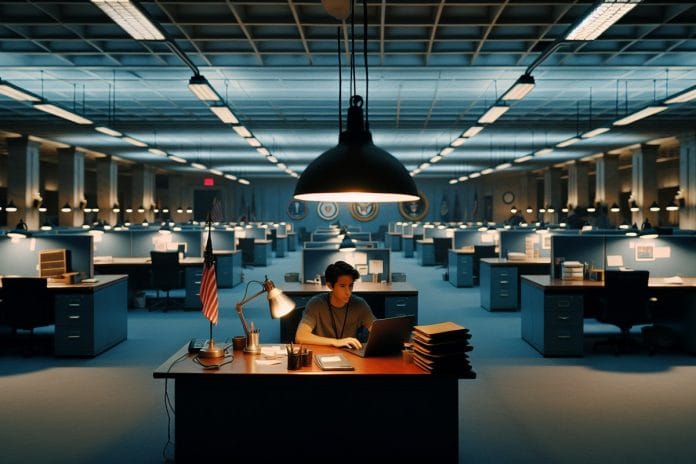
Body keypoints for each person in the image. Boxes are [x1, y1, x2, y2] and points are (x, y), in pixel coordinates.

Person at [295, 260, 375, 349]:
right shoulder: (316, 303)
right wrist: (336, 342)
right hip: (322, 353)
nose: (348, 292)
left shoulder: (359, 304)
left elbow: (377, 331)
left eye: (350, 285)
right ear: (330, 286)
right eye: (342, 286)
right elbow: (300, 337)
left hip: (350, 354)